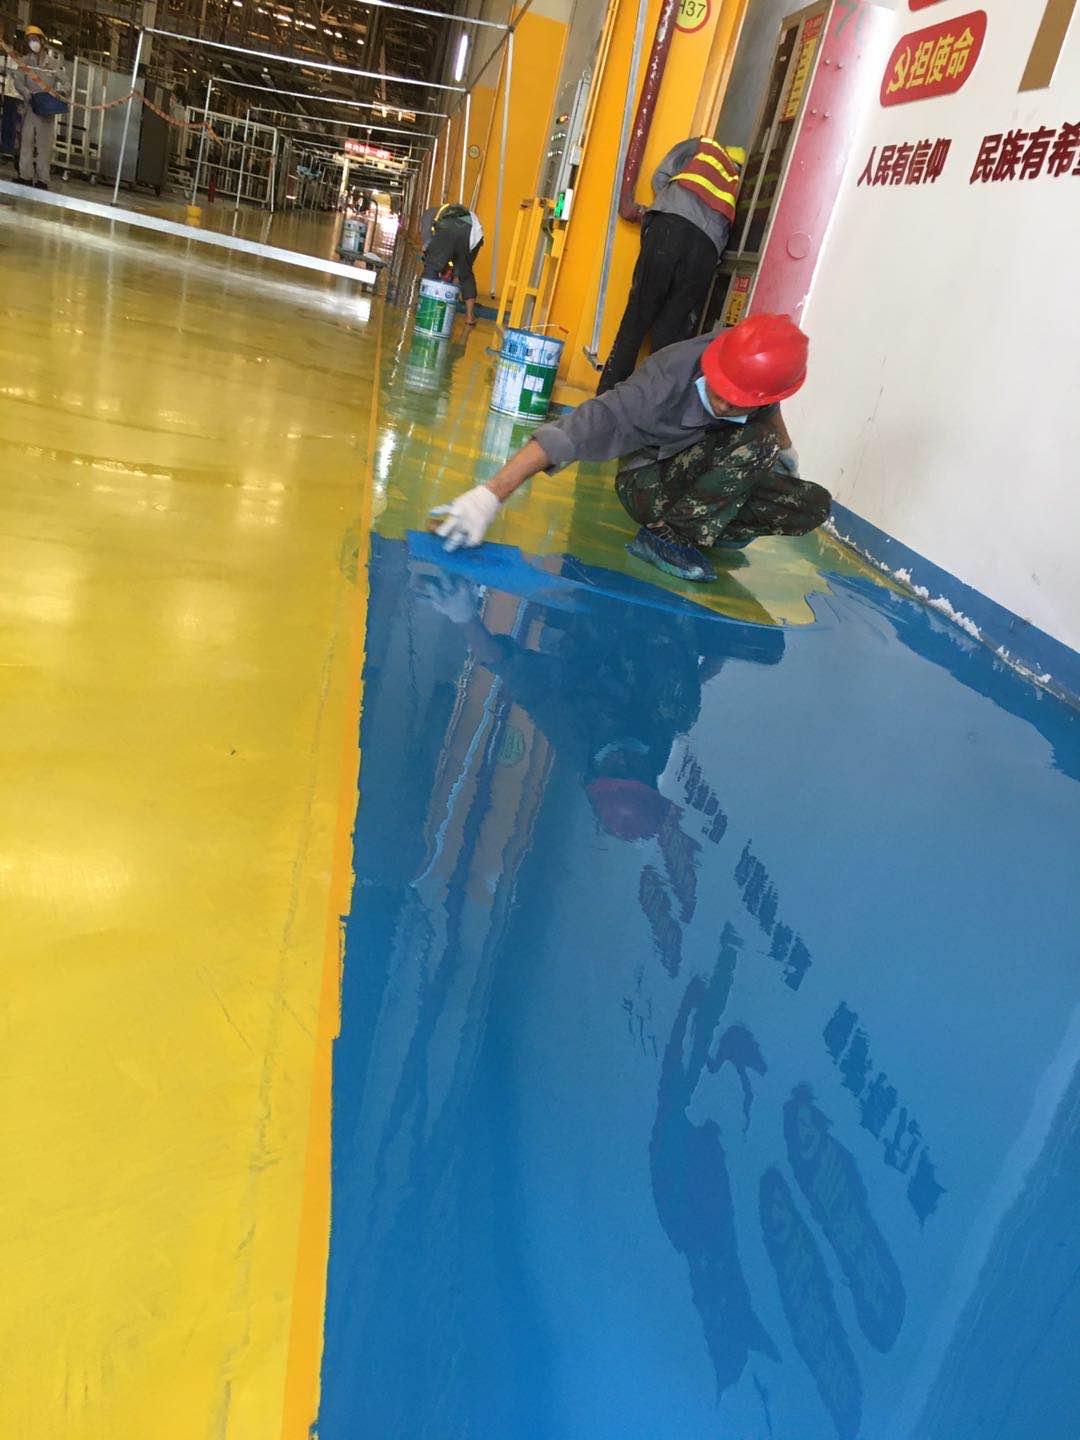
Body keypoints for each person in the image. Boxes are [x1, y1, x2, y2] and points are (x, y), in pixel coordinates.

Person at [430, 312, 831, 583]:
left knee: (810, 504)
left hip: (700, 466)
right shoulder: (660, 385)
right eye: (720, 390)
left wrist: (786, 454)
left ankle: (700, 528)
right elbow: (574, 429)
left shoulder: (757, 372)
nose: (725, 403)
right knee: (757, 444)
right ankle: (664, 538)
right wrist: (491, 494)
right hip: (646, 478)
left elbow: (769, 409)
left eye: (739, 400)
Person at [597, 137, 745, 395]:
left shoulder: (705, 145)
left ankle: (607, 398)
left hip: (669, 228)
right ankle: (653, 407)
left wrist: (669, 204)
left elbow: (660, 176)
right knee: (670, 338)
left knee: (636, 319)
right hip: (706, 249)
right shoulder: (737, 183)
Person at [13, 25, 68, 191]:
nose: (33, 43)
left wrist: (62, 93)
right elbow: (18, 82)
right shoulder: (24, 62)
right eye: (30, 40)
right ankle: (25, 176)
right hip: (30, 108)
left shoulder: (53, 64)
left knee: (44, 145)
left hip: (46, 111)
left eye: (35, 39)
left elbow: (66, 82)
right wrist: (26, 93)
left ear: (42, 41)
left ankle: (43, 179)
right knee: (27, 142)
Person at [421, 202, 480, 327]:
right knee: (465, 272)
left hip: (449, 228)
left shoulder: (427, 215)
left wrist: (438, 264)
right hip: (473, 232)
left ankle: (426, 306)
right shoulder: (448, 211)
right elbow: (455, 261)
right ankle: (469, 316)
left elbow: (427, 246)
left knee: (431, 265)